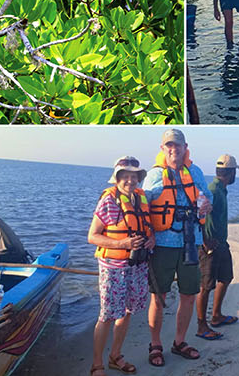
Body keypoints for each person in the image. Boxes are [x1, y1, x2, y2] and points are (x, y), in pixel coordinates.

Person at [142, 129, 211, 367]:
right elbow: (143, 208)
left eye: (178, 145)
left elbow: (206, 196)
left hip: (192, 241)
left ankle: (179, 342)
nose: (174, 149)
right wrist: (145, 236)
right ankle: (155, 345)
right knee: (159, 296)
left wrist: (204, 205)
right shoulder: (154, 176)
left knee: (189, 294)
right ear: (163, 148)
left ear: (185, 147)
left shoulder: (195, 171)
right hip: (163, 244)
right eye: (169, 146)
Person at [87, 156, 154, 376]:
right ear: (117, 178)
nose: (130, 180)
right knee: (107, 315)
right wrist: (121, 243)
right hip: (113, 267)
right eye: (125, 176)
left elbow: (145, 226)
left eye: (134, 176)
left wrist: (150, 239)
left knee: (127, 311)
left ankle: (116, 356)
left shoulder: (140, 199)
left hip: (137, 265)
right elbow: (93, 236)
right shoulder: (109, 200)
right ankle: (97, 364)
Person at [196, 154, 239, 341]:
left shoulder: (222, 189)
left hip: (222, 243)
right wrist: (205, 241)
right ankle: (201, 326)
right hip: (210, 246)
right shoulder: (212, 190)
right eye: (234, 172)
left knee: (226, 277)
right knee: (205, 286)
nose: (234, 176)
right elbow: (198, 213)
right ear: (230, 173)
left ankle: (216, 315)